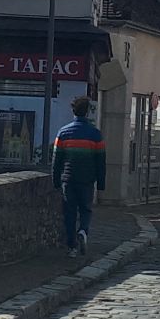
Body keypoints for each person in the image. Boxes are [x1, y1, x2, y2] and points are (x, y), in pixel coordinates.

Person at [50, 95, 105, 254]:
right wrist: (101, 182)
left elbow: (57, 160)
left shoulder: (63, 132)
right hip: (87, 179)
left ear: (73, 111)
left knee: (69, 212)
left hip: (68, 178)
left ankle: (72, 246)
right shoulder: (95, 134)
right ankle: (83, 231)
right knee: (86, 209)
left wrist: (56, 181)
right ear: (87, 112)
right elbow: (100, 160)